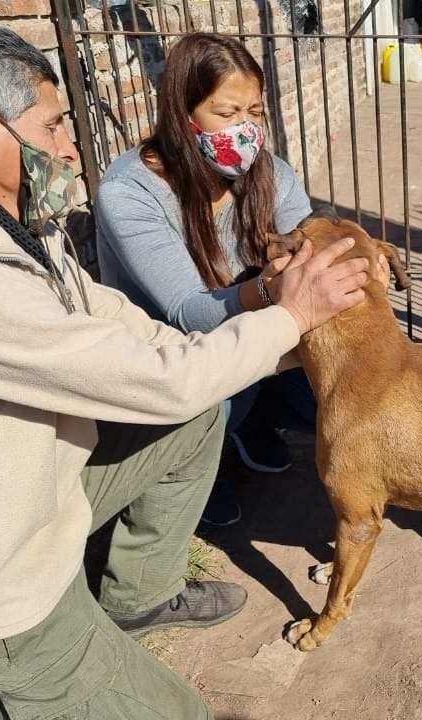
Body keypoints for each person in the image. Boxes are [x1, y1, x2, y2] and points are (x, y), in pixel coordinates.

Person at [0, 20, 368, 720]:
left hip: (23, 491)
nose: (68, 147)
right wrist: (290, 316)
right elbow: (167, 369)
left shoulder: (9, 234)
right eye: (54, 125)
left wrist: (286, 334)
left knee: (198, 414)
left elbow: (127, 325)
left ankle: (137, 595)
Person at [96, 33, 316, 528]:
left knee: (330, 403)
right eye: (226, 112)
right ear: (182, 112)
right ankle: (191, 469)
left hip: (257, 336)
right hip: (175, 354)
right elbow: (187, 311)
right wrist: (273, 290)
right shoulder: (130, 192)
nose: (244, 129)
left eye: (254, 112)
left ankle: (252, 418)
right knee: (215, 407)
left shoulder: (269, 174)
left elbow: (310, 239)